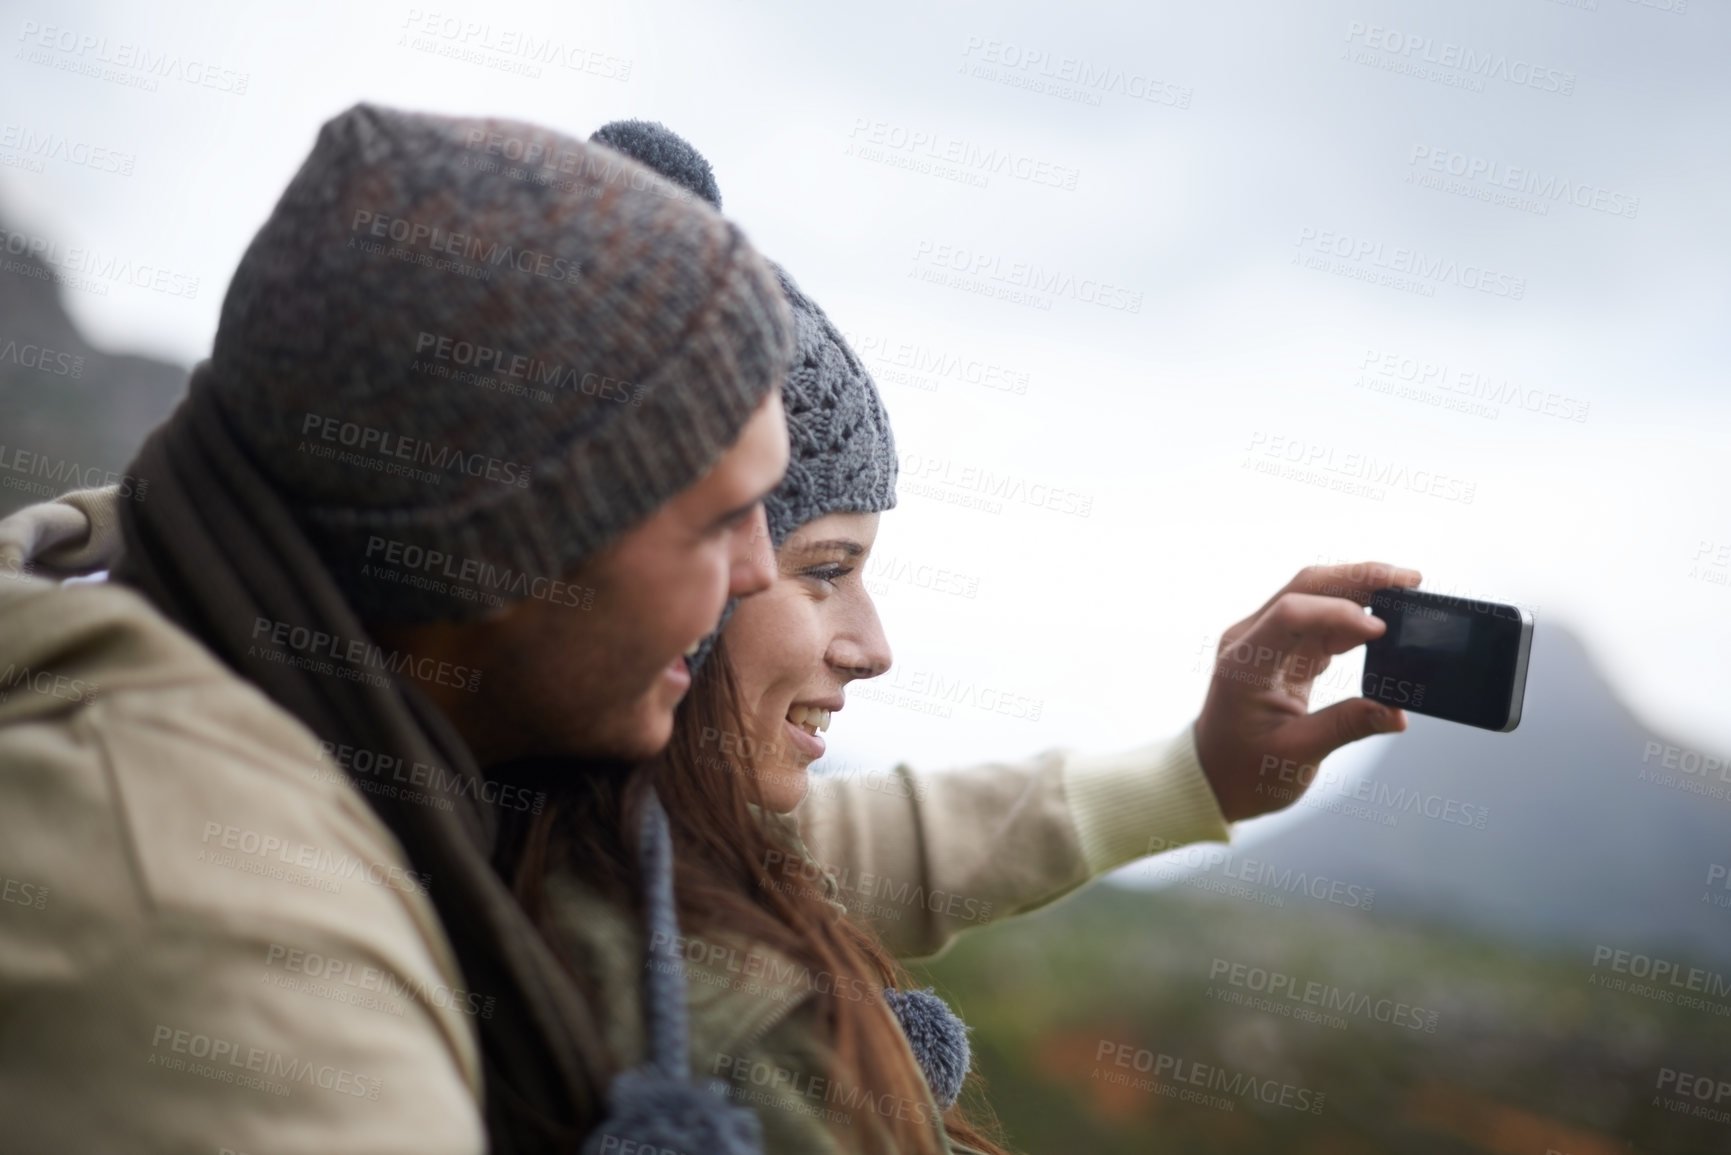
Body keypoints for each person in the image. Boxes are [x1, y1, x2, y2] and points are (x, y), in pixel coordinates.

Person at [485, 122, 1422, 1155]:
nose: (873, 646)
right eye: (828, 571)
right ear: (687, 575)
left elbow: (896, 840)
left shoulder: (565, 834)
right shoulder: (722, 1026)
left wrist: (1207, 770)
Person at [0, 103, 801, 1153]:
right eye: (721, 520)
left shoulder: (237, 685)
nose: (761, 572)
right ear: (504, 547)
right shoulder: (236, 962)